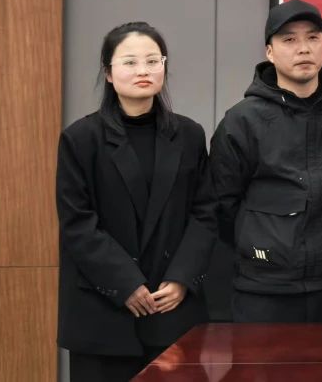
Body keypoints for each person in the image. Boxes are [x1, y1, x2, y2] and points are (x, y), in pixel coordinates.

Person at [56, 22, 215, 381]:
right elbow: (78, 223)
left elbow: (205, 213)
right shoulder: (81, 139)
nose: (143, 70)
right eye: (129, 62)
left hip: (172, 308)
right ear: (108, 73)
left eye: (153, 61)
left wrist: (182, 278)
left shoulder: (189, 135)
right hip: (103, 313)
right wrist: (125, 283)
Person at [210, 0, 322, 322]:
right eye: (289, 39)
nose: (304, 49)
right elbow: (222, 205)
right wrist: (261, 246)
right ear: (269, 52)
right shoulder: (242, 121)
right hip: (263, 291)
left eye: (313, 38)